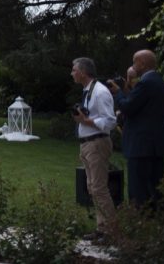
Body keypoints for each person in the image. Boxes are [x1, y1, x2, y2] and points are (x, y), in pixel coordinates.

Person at [107, 49, 164, 209]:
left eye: (134, 62)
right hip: (155, 144)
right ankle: (159, 221)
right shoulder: (160, 82)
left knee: (139, 188)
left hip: (141, 144)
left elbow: (128, 107)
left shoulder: (146, 83)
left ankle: (141, 221)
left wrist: (118, 93)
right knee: (155, 186)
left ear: (142, 63)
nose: (133, 65)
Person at [70, 57, 117, 241]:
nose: (72, 73)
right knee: (92, 187)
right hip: (88, 143)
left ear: (82, 72)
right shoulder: (88, 91)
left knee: (98, 188)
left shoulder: (100, 92)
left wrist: (86, 121)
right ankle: (102, 228)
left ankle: (112, 231)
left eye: (74, 70)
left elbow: (110, 121)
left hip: (97, 143)